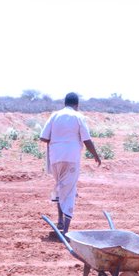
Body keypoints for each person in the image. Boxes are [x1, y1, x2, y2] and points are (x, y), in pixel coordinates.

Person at [40, 92, 101, 235]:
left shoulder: (54, 115)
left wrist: (57, 143)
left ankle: (60, 221)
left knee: (60, 187)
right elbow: (87, 140)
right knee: (70, 191)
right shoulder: (78, 117)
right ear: (77, 105)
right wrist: (96, 155)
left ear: (64, 103)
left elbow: (43, 137)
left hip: (55, 158)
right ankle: (65, 231)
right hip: (71, 158)